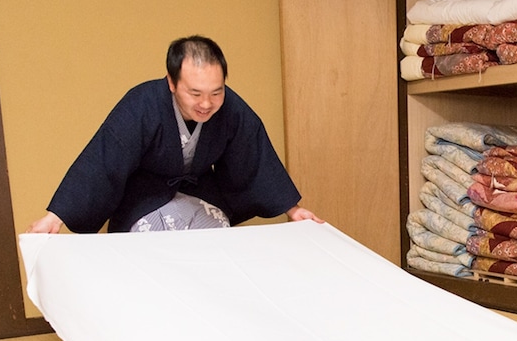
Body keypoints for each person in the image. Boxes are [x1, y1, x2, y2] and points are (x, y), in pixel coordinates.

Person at [27, 35, 321, 234]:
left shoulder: (231, 109)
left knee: (217, 252)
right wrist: (56, 217)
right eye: (195, 93)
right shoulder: (142, 104)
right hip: (146, 200)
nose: (206, 104)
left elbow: (254, 158)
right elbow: (103, 161)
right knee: (157, 260)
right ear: (171, 82)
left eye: (216, 92)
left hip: (202, 197)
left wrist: (292, 210)